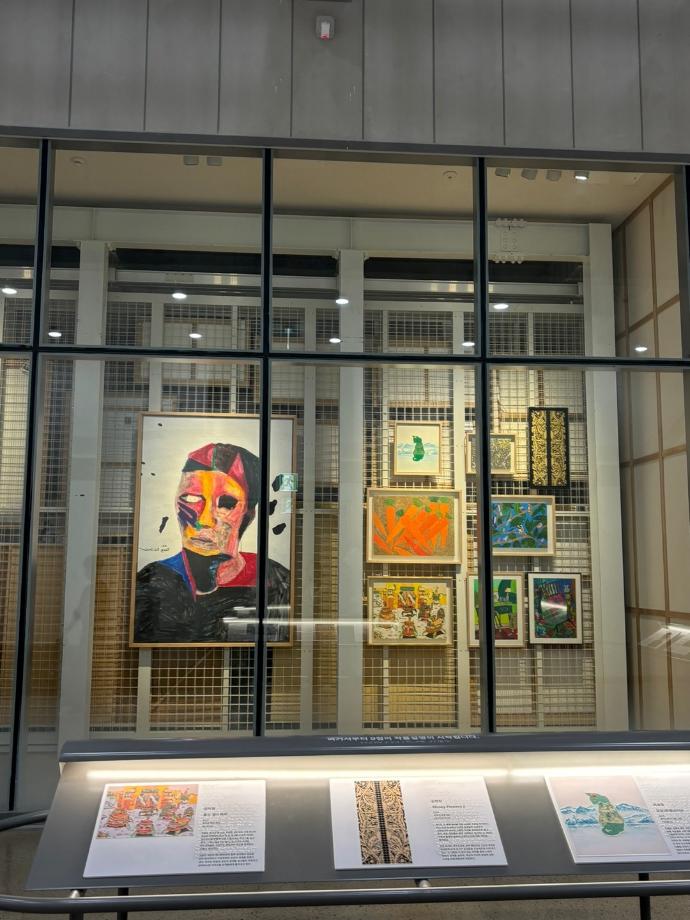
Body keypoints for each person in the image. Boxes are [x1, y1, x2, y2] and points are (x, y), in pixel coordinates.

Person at [133, 442, 289, 644]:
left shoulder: (275, 580)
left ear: (248, 516)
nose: (205, 519)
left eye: (226, 504)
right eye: (190, 498)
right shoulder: (151, 581)